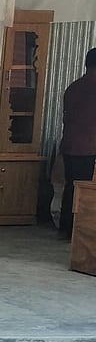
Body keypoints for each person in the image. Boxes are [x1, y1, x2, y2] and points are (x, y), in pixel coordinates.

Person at [59, 47, 96, 238]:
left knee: (71, 187)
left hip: (70, 145)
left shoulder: (73, 87)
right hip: (88, 148)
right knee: (86, 192)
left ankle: (66, 228)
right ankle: (80, 232)